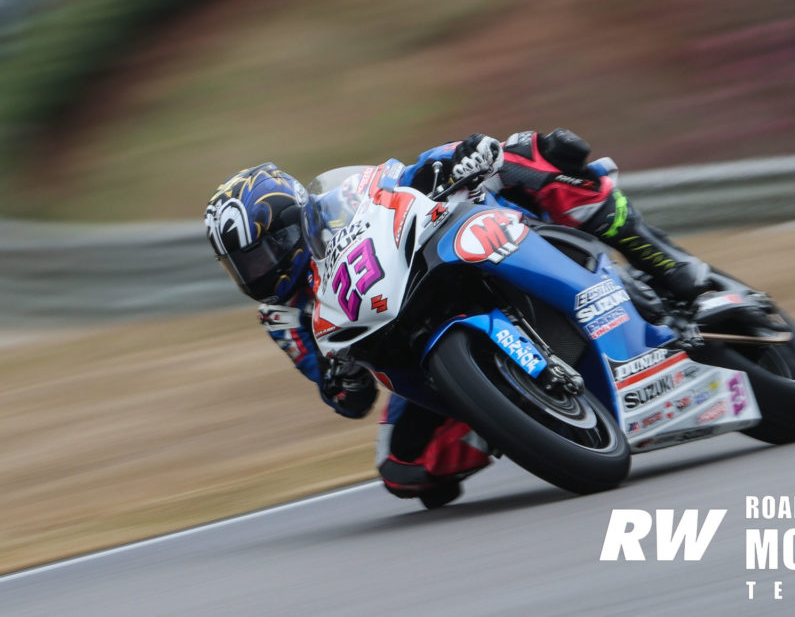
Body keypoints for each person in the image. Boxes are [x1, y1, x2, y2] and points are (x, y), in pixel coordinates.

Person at [204, 129, 711, 508]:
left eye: (262, 254)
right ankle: (511, 413)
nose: (258, 272)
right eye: (242, 266)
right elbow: (346, 400)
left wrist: (457, 157)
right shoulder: (282, 316)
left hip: (451, 254)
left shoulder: (341, 199)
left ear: (293, 224)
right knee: (404, 471)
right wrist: (343, 378)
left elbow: (407, 173)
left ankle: (666, 267)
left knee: (530, 156)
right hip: (404, 343)